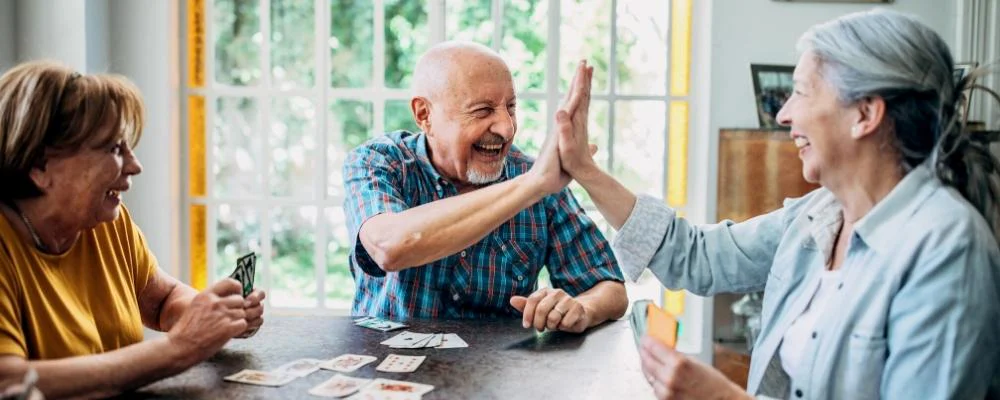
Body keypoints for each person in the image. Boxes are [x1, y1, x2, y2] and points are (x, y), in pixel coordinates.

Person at [554, 10, 1000, 399]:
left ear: (865, 114)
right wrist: (585, 170)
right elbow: (697, 256)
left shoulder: (948, 251)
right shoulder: (815, 216)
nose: (784, 114)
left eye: (802, 92)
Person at [0, 61, 266, 398]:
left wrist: (213, 316)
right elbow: (8, 382)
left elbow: (162, 301)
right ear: (40, 165)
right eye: (114, 148)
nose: (134, 165)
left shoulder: (105, 221)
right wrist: (179, 349)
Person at [342, 41, 627, 332]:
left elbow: (611, 289)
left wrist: (582, 308)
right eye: (482, 111)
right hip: (387, 368)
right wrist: (531, 185)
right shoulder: (378, 161)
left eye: (510, 107)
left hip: (497, 373)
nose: (506, 128)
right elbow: (389, 247)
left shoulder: (537, 178)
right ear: (424, 115)